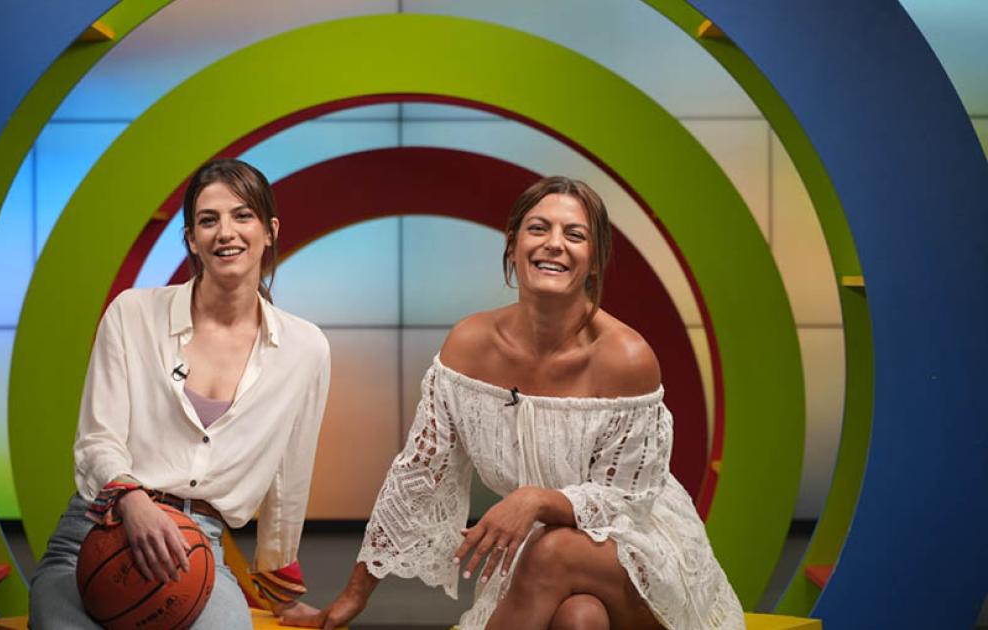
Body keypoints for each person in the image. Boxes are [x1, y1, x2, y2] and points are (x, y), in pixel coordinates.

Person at [318, 176, 743, 629]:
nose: (554, 244)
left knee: (552, 552)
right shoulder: (469, 346)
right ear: (513, 245)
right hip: (546, 565)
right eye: (538, 228)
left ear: (595, 260)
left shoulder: (626, 357)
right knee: (579, 619)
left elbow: (627, 502)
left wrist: (537, 499)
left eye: (574, 234)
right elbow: (418, 475)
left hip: (639, 554)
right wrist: (353, 596)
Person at [29, 159, 332, 629]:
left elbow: (289, 477)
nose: (225, 232)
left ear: (269, 231)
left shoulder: (305, 348)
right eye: (209, 220)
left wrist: (281, 594)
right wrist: (133, 502)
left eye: (242, 216)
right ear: (192, 238)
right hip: (98, 534)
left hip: (196, 549)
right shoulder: (131, 313)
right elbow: (97, 440)